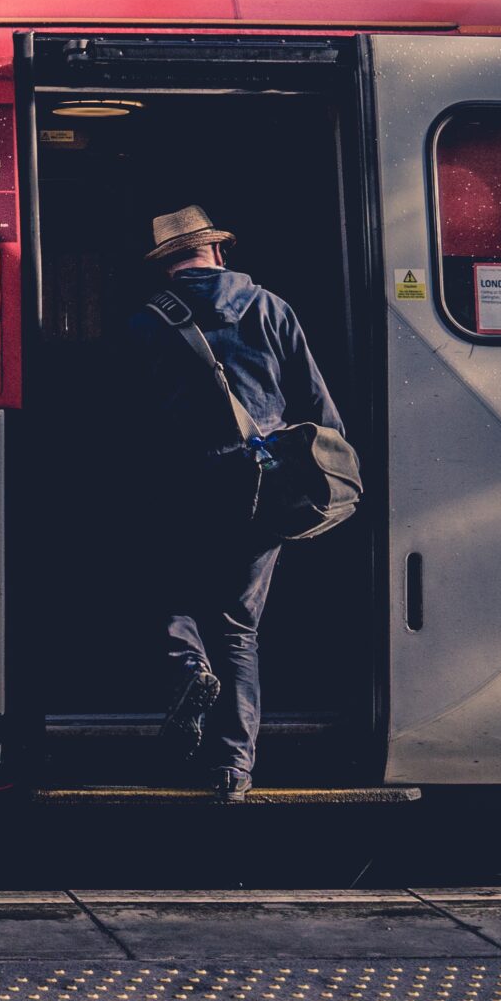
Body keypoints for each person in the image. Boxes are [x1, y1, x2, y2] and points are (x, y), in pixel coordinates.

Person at [123, 205, 342, 803]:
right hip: (260, 489)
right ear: (218, 252)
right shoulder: (271, 308)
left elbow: (127, 420)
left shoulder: (145, 323)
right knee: (238, 629)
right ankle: (232, 769)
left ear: (168, 264)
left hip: (178, 488)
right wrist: (318, 478)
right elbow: (318, 408)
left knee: (168, 598)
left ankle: (189, 669)